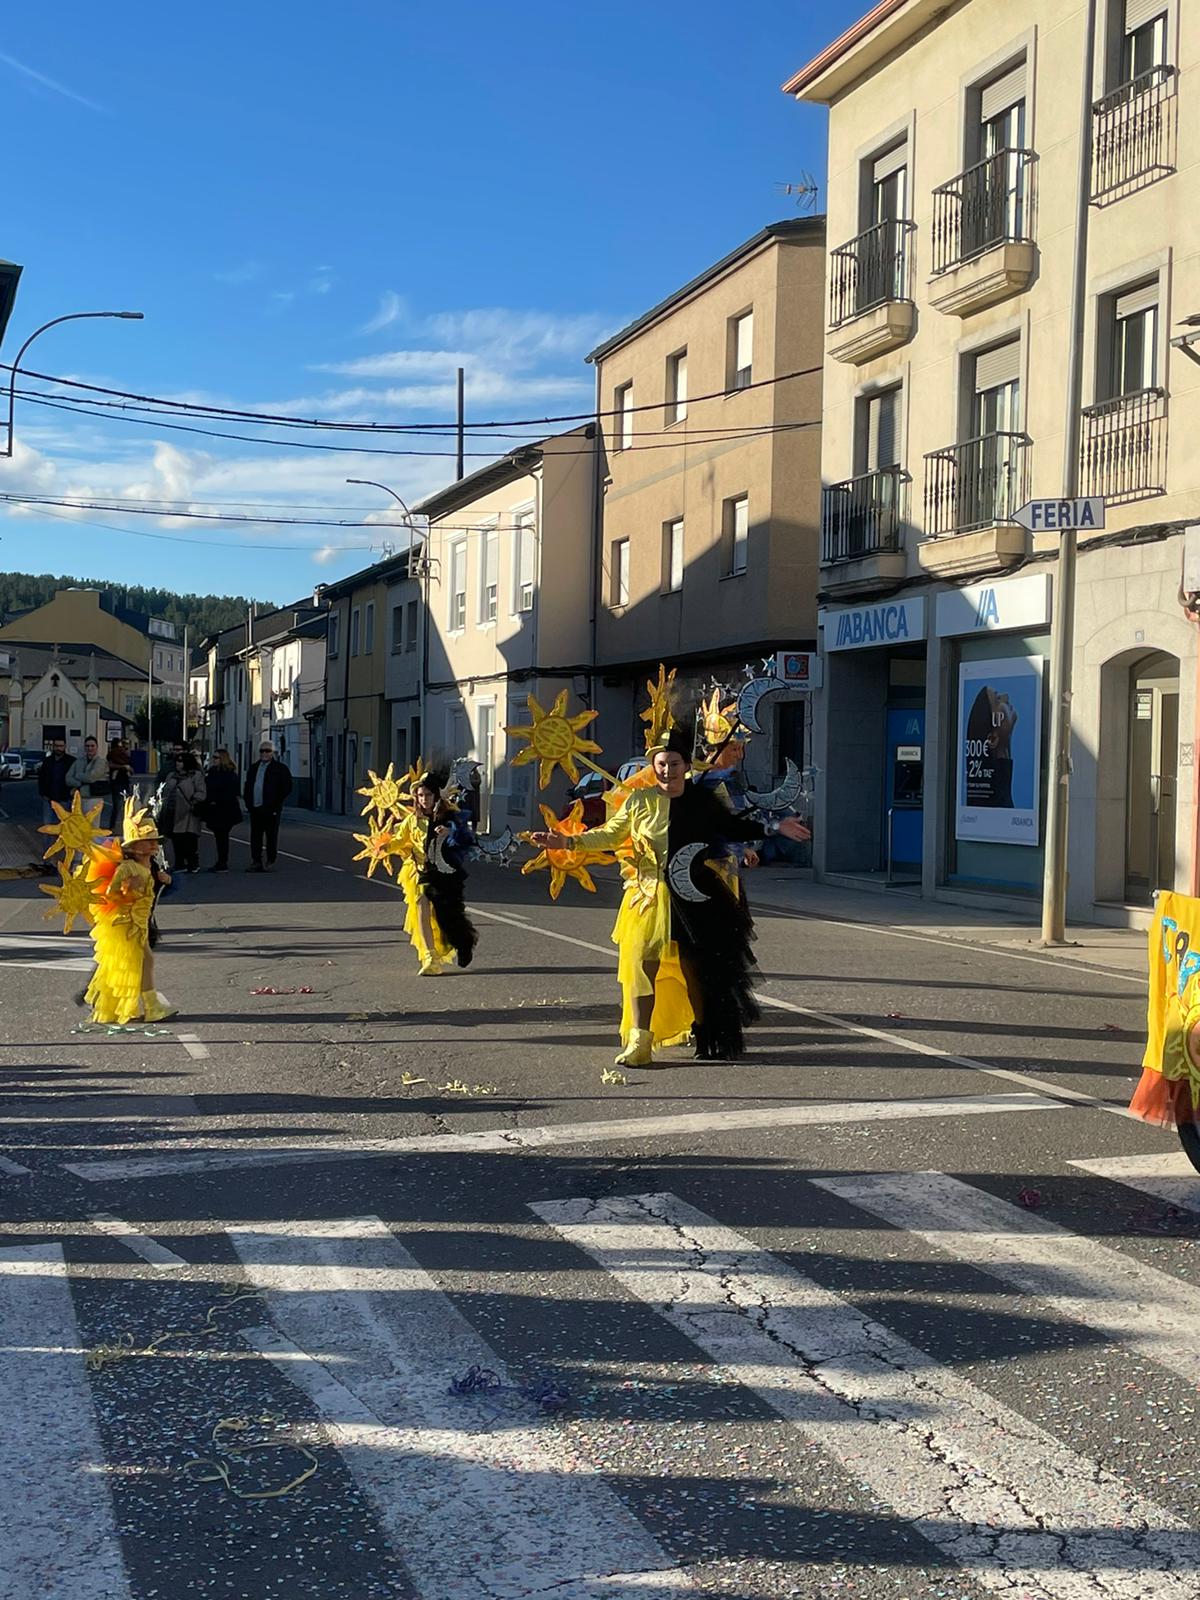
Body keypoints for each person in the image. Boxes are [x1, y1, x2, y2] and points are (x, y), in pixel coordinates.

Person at [529, 729, 809, 1066]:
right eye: (661, 764)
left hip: (696, 894)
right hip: (647, 896)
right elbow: (610, 834)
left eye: (674, 763)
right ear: (653, 766)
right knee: (641, 967)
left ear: (685, 766)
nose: (667, 770)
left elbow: (732, 828)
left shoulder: (702, 801)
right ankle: (640, 1041)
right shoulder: (639, 801)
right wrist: (567, 842)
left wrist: (775, 828)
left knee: (697, 969)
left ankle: (706, 1035)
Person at [83, 800, 176, 1024]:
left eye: (154, 840)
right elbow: (110, 895)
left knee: (137, 963)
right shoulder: (127, 868)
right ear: (134, 847)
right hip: (127, 924)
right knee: (140, 961)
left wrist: (166, 879)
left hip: (141, 923)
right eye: (147, 841)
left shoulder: (150, 866)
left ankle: (114, 1004)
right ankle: (150, 1007)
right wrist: (127, 892)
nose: (153, 845)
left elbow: (158, 887)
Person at [395, 764, 478, 975]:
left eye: (428, 794)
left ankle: (464, 943)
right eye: (420, 795)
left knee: (447, 916)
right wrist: (382, 845)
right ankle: (430, 956)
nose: (424, 799)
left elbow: (467, 839)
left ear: (436, 795)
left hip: (446, 873)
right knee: (421, 905)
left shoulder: (449, 816)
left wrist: (450, 832)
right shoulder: (412, 820)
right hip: (422, 873)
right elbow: (399, 840)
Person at [243, 740, 292, 872]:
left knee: (271, 835)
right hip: (256, 807)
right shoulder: (254, 768)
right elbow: (248, 786)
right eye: (262, 751)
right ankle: (256, 861)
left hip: (271, 809)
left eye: (267, 751)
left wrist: (276, 803)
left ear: (272, 752)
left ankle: (271, 859)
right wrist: (248, 804)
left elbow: (287, 787)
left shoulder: (280, 769)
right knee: (255, 836)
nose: (264, 753)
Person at [157, 751, 207, 873]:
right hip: (173, 811)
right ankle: (180, 863)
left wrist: (194, 800)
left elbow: (201, 792)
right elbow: (164, 791)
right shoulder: (171, 776)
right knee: (176, 838)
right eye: (177, 761)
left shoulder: (195, 775)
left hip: (188, 812)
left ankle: (193, 863)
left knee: (189, 839)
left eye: (180, 761)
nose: (177, 764)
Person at [204, 748, 242, 872]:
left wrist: (217, 799)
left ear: (222, 759)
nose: (213, 760)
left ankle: (222, 862)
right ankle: (221, 861)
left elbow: (232, 792)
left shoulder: (230, 774)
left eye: (216, 758)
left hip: (226, 810)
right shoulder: (212, 772)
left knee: (222, 836)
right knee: (219, 836)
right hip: (214, 810)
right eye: (213, 757)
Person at [37, 739, 72, 826]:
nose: (58, 748)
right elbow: (41, 778)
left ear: (65, 747)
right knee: (48, 825)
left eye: (61, 746)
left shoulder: (71, 761)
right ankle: (48, 840)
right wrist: (43, 793)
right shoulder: (47, 761)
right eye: (56, 746)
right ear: (53, 747)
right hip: (48, 799)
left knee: (63, 826)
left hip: (64, 800)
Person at [67, 736, 110, 805]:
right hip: (79, 798)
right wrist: (80, 784)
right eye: (87, 746)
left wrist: (77, 775)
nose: (90, 748)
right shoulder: (78, 761)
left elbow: (91, 778)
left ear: (97, 747)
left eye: (92, 746)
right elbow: (68, 778)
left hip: (96, 798)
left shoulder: (101, 761)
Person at [106, 741, 134, 835]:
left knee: (122, 806)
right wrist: (124, 767)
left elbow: (130, 770)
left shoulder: (117, 756)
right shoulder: (116, 756)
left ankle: (116, 827)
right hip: (118, 783)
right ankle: (114, 827)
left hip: (122, 782)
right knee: (119, 806)